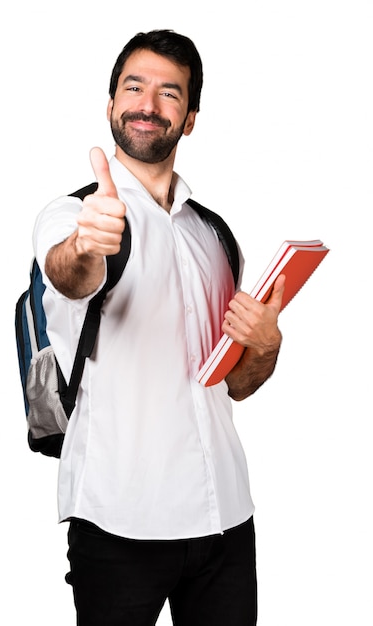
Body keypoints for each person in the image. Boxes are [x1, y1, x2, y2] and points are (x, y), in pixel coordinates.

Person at [32, 29, 284, 626]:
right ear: (112, 105)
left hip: (225, 518)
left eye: (170, 93)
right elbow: (69, 274)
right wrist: (88, 244)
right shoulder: (74, 215)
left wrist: (266, 347)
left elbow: (234, 382)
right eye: (134, 87)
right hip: (120, 525)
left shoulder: (214, 236)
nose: (149, 104)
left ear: (190, 118)